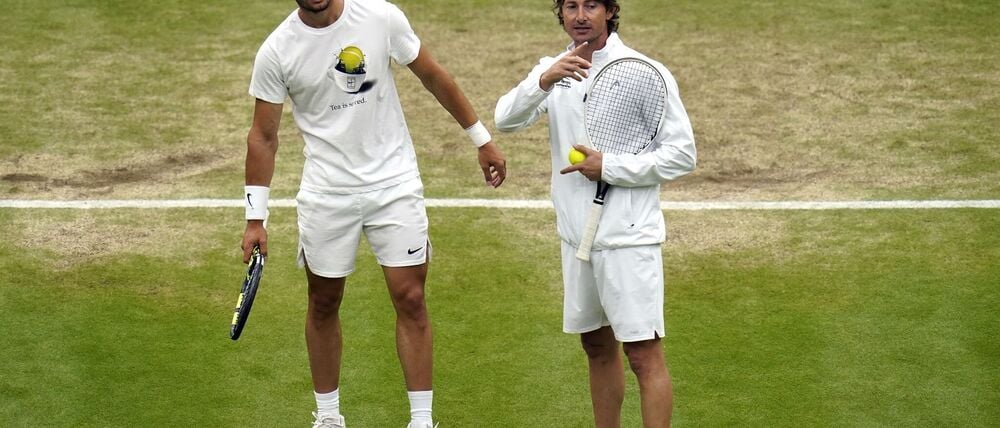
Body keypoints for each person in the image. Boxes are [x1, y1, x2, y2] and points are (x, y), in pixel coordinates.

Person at [240, 1, 507, 427]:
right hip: (327, 193)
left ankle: (421, 421)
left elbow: (433, 76)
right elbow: (263, 135)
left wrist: (481, 139)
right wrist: (256, 218)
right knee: (323, 301)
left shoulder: (381, 17)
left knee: (411, 298)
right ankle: (328, 418)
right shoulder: (277, 50)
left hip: (394, 183)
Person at [494, 0, 695, 426]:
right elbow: (505, 119)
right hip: (576, 237)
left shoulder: (644, 71)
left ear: (609, 11)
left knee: (642, 354)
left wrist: (611, 167)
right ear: (561, 13)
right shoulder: (554, 69)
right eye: (571, 6)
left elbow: (681, 155)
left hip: (628, 238)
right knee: (596, 347)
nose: (580, 15)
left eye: (591, 5)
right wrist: (543, 81)